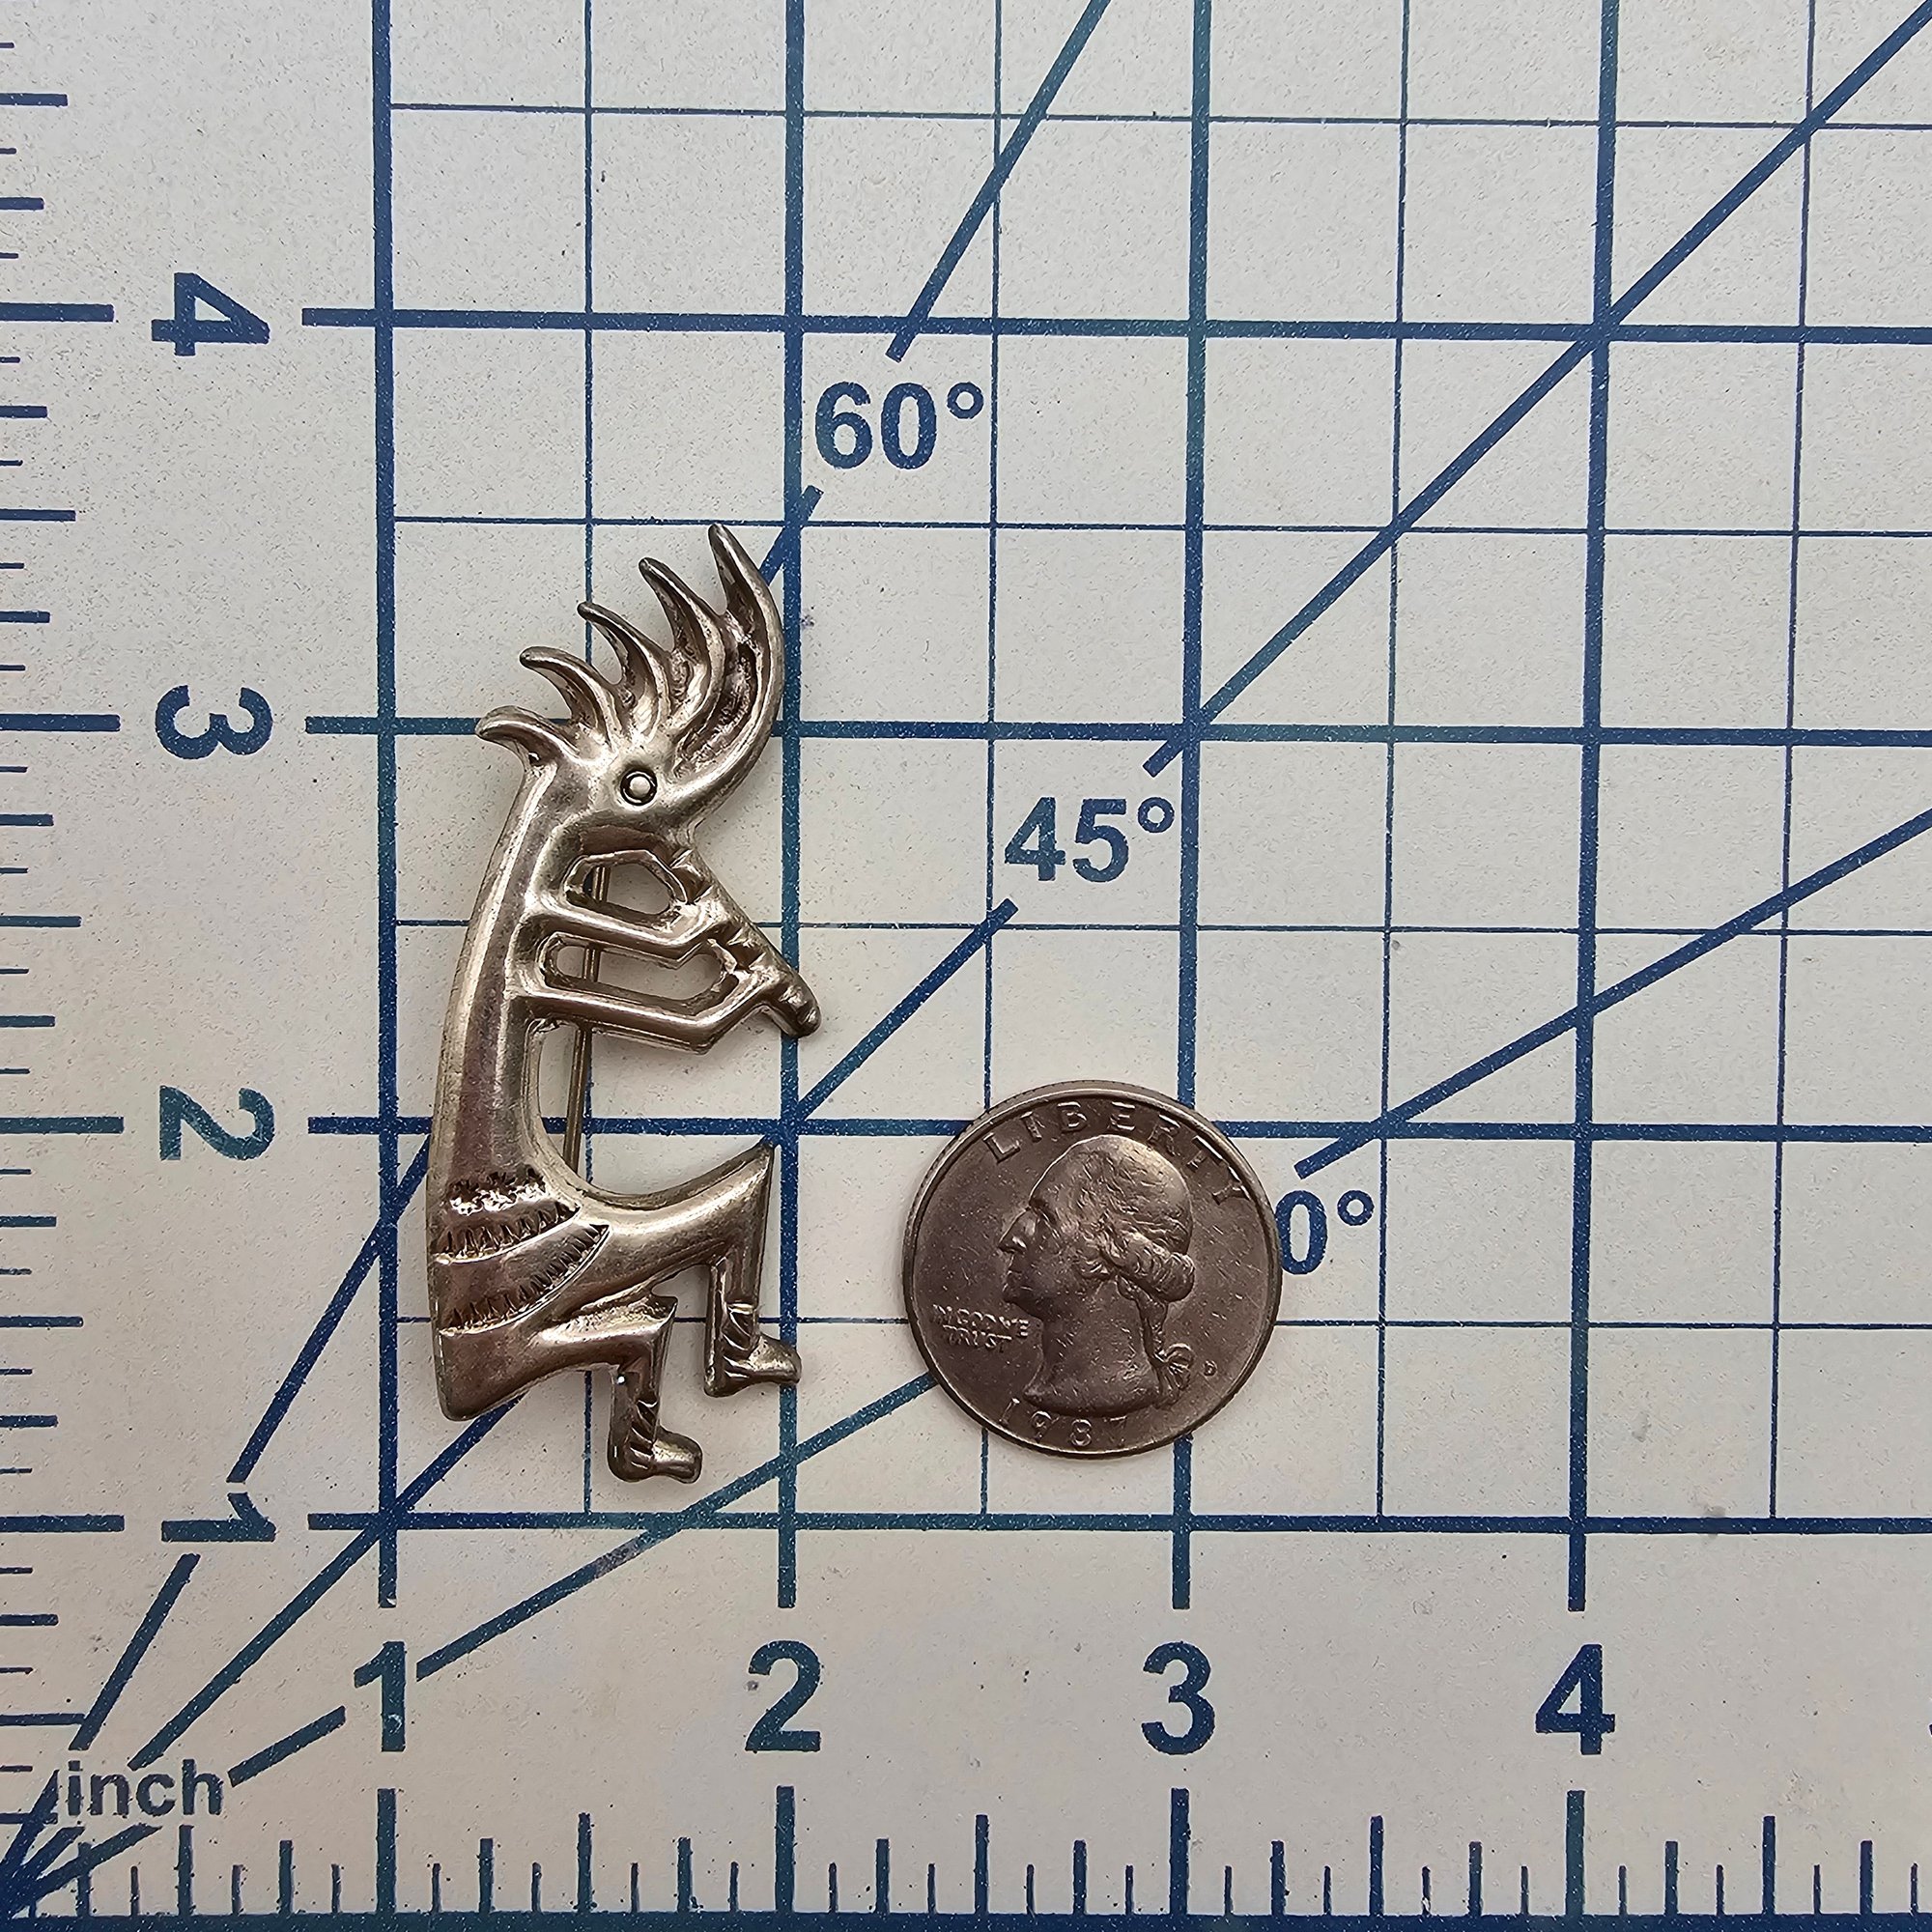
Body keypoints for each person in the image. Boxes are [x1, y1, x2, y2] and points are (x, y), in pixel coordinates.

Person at [999, 1135, 1196, 1417]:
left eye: (1044, 1219)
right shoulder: (1052, 1388)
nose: (1009, 1239)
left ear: (1110, 1252)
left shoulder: (1109, 1391)